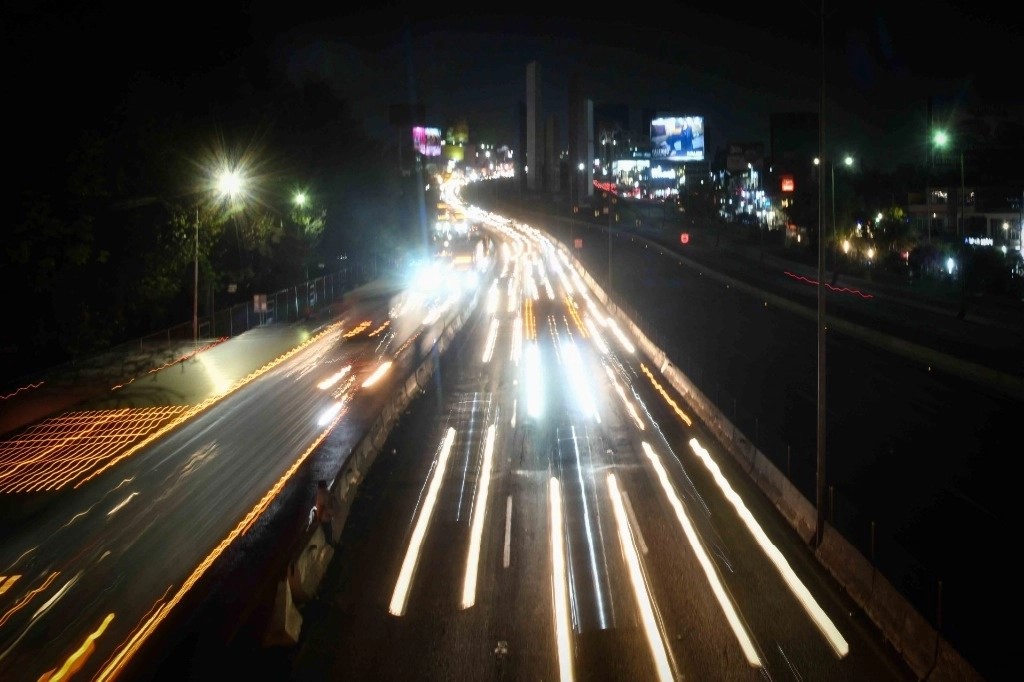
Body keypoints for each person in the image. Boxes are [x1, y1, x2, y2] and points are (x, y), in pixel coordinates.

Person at [314, 479, 336, 546]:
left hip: (324, 518)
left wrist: (318, 519)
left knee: (328, 534)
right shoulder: (327, 492)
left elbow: (321, 507)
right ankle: (333, 543)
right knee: (330, 531)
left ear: (319, 487)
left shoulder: (320, 495)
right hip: (329, 516)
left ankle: (333, 546)